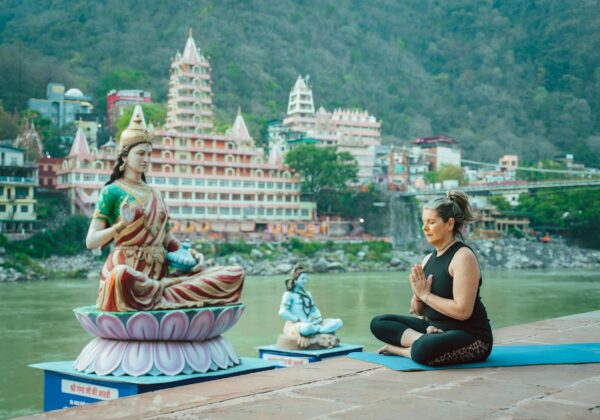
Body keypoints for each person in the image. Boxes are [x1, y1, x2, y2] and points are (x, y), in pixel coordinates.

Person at [86, 106, 244, 312]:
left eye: (149, 154)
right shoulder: (112, 191)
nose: (146, 159)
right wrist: (121, 226)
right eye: (140, 153)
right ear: (124, 157)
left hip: (161, 272)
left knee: (234, 273)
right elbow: (91, 242)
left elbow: (169, 240)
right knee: (121, 275)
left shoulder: (156, 194)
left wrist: (190, 255)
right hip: (130, 276)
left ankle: (163, 291)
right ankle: (161, 291)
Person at [370, 191, 492, 366]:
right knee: (379, 323)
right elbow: (418, 311)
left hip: (470, 336)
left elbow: (463, 311)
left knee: (426, 348)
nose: (424, 228)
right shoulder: (428, 259)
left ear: (449, 224)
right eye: (423, 222)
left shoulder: (462, 257)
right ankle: (420, 340)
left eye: (431, 222)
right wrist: (417, 295)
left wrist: (426, 295)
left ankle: (404, 350)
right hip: (432, 330)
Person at [278, 264, 342, 348]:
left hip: (312, 323)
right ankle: (319, 330)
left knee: (338, 322)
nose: (305, 281)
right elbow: (282, 312)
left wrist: (317, 318)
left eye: (306, 279)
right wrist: (297, 320)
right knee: (308, 327)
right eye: (302, 279)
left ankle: (319, 330)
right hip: (298, 325)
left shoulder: (308, 294)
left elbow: (314, 309)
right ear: (295, 280)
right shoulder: (289, 294)